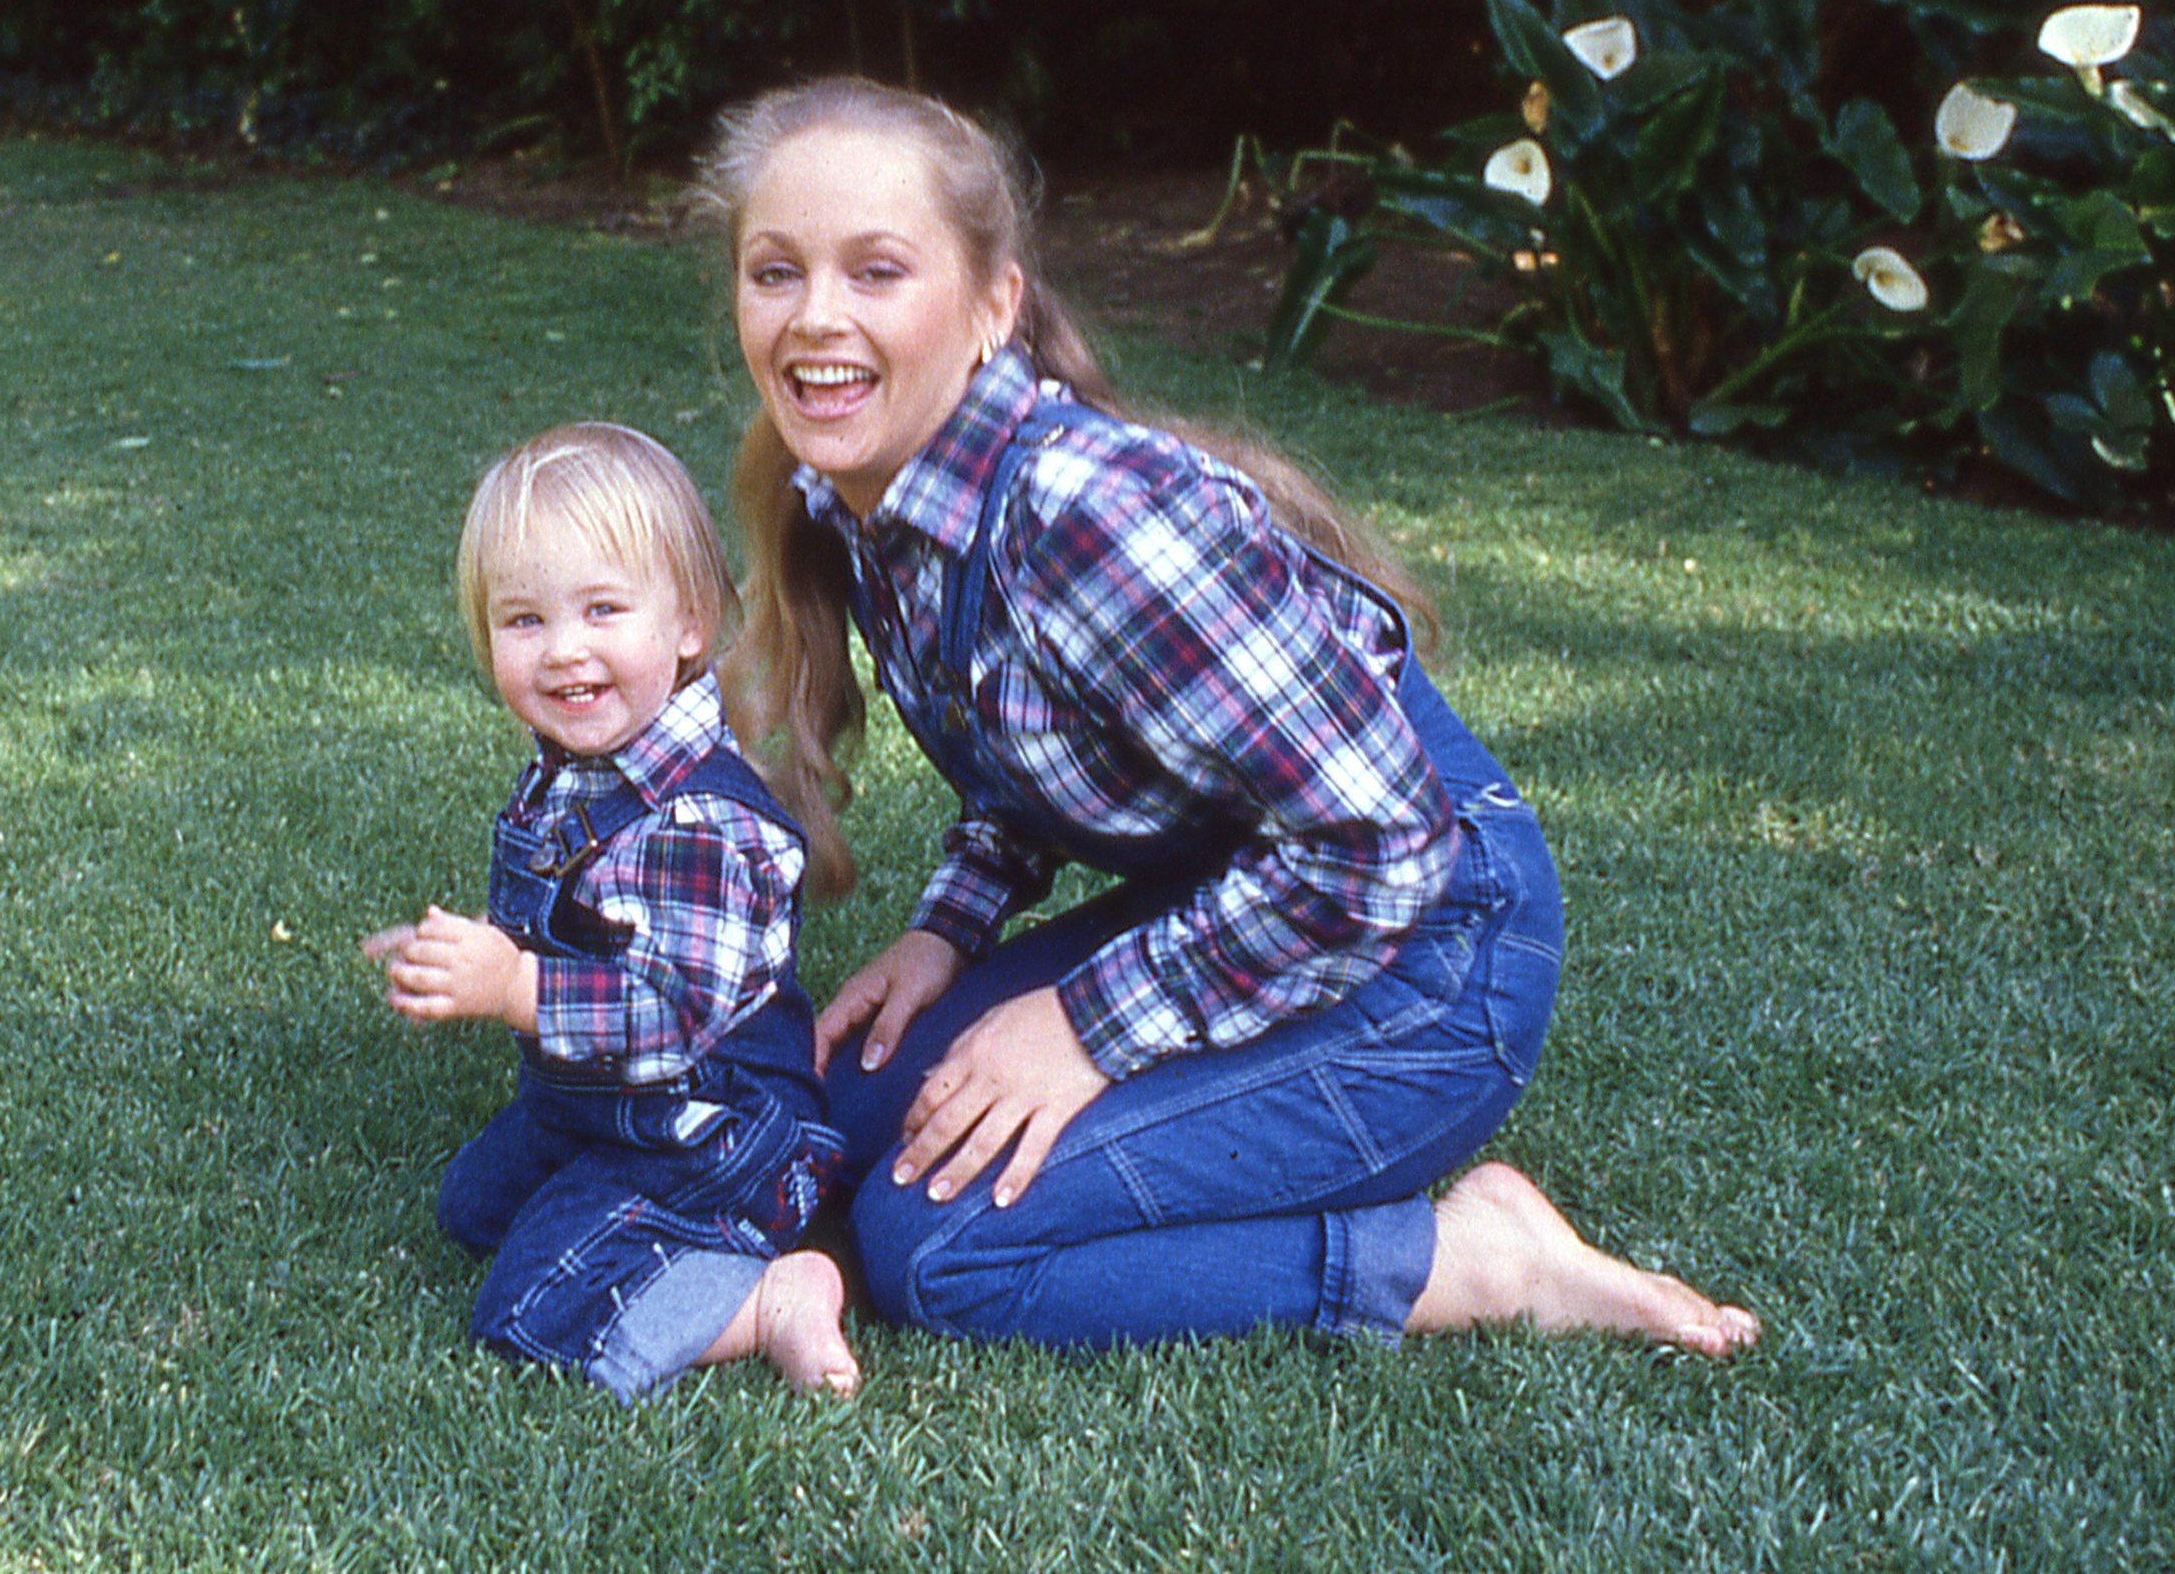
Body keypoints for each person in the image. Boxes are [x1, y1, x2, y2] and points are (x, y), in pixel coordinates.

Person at [705, 77, 1759, 1357]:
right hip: (1244, 903)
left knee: (937, 1245)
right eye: (777, 272)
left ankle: (1476, 1258)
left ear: (994, 307)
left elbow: (1377, 842)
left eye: (876, 271)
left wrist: (1085, 1023)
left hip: (1426, 956)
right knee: (835, 1113)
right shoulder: (867, 498)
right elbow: (1033, 739)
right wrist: (947, 932)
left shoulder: (1090, 515)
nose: (817, 317)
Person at [364, 422, 860, 1400]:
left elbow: (670, 1017)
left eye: (601, 608)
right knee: (471, 1205)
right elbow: (580, 920)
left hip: (711, 1131)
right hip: (595, 1109)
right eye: (523, 620)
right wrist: (469, 953)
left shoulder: (704, 818)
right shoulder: (577, 774)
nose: (564, 651)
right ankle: (645, 1230)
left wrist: (511, 983)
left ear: (687, 622)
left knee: (528, 1302)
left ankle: (770, 1292)